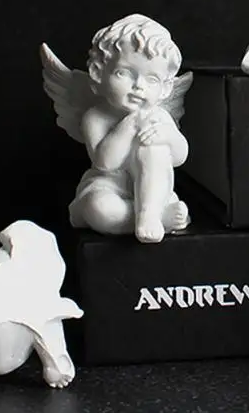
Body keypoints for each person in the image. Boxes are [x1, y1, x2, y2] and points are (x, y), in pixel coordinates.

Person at [70, 14, 190, 243]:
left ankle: (149, 214)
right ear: (98, 73)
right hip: (109, 186)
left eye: (152, 79)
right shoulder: (95, 117)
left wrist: (167, 136)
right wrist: (130, 124)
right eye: (123, 73)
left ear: (165, 89)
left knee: (154, 147)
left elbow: (179, 156)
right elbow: (106, 163)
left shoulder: (159, 115)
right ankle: (157, 218)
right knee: (100, 209)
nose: (138, 86)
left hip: (154, 192)